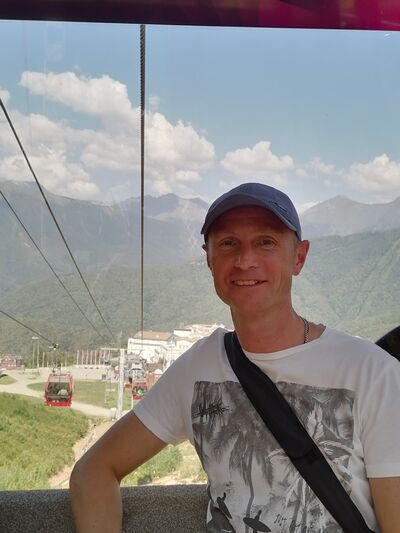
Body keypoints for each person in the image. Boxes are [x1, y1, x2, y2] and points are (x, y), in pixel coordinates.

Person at [70, 182, 400, 532]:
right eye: (229, 243)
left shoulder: (372, 372)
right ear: (209, 258)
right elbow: (95, 469)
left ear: (299, 257)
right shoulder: (197, 369)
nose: (245, 261)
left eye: (266, 242)